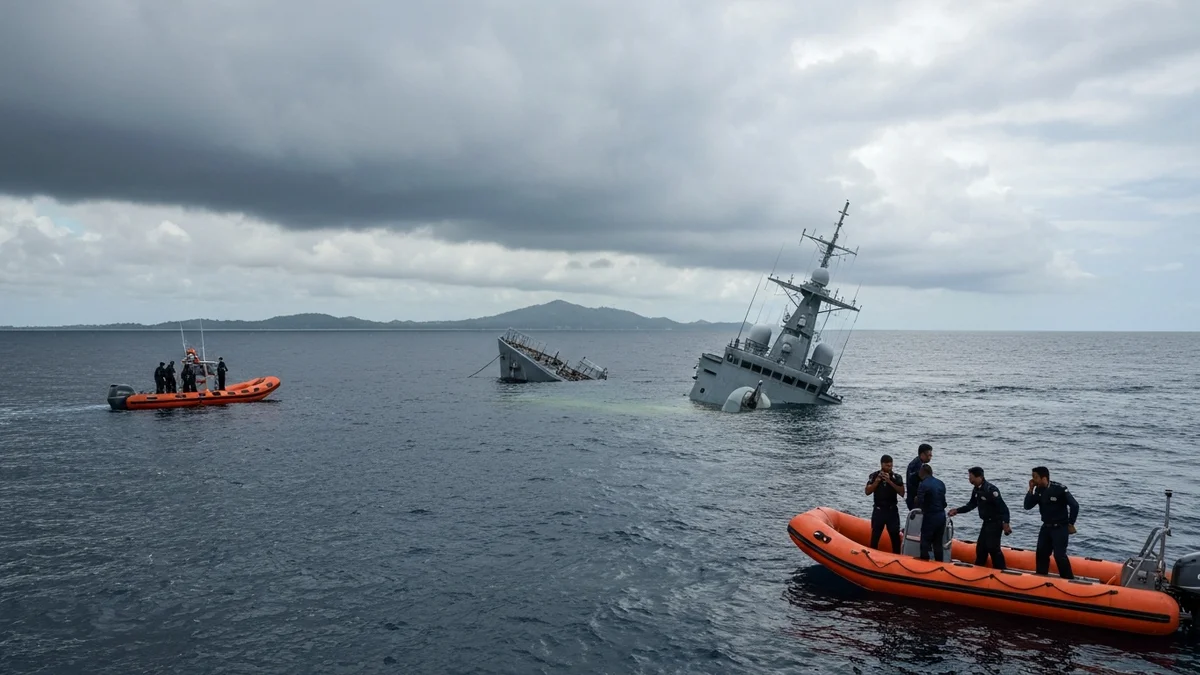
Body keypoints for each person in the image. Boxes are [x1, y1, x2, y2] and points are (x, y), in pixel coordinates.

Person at [948, 467, 1012, 569]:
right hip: (986, 523)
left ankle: (1001, 570)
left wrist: (1006, 523)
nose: (969, 479)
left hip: (996, 523)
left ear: (980, 477)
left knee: (993, 548)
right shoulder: (976, 489)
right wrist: (957, 510)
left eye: (971, 477)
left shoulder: (991, 490)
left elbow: (1003, 508)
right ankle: (979, 569)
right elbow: (971, 505)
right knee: (981, 548)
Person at [1023, 466, 1079, 579]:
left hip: (1060, 527)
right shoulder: (1038, 490)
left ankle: (1068, 579)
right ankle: (1041, 576)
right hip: (1046, 527)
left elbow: (1075, 505)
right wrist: (1030, 490)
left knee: (1059, 555)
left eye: (1035, 477)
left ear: (1044, 478)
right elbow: (1027, 506)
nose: (1033, 480)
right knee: (1041, 553)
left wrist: (1070, 523)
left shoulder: (1060, 489)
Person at [865, 454, 905, 553]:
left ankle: (897, 556)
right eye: (887, 466)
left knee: (895, 537)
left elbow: (902, 492)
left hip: (892, 511)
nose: (889, 468)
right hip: (879, 510)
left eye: (891, 466)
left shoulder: (897, 477)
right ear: (882, 465)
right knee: (875, 536)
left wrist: (890, 481)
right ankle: (872, 555)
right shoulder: (874, 476)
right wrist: (877, 481)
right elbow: (867, 492)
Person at [915, 464, 947, 562]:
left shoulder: (923, 484)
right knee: (938, 543)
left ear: (923, 472)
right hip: (941, 515)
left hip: (930, 516)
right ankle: (939, 564)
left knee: (925, 540)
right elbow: (944, 503)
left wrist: (916, 502)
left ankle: (924, 563)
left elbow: (919, 501)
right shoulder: (941, 483)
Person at [905, 443, 933, 510]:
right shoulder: (918, 465)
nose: (931, 457)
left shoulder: (917, 462)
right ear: (922, 454)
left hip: (912, 497)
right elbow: (917, 482)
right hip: (915, 499)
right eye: (929, 455)